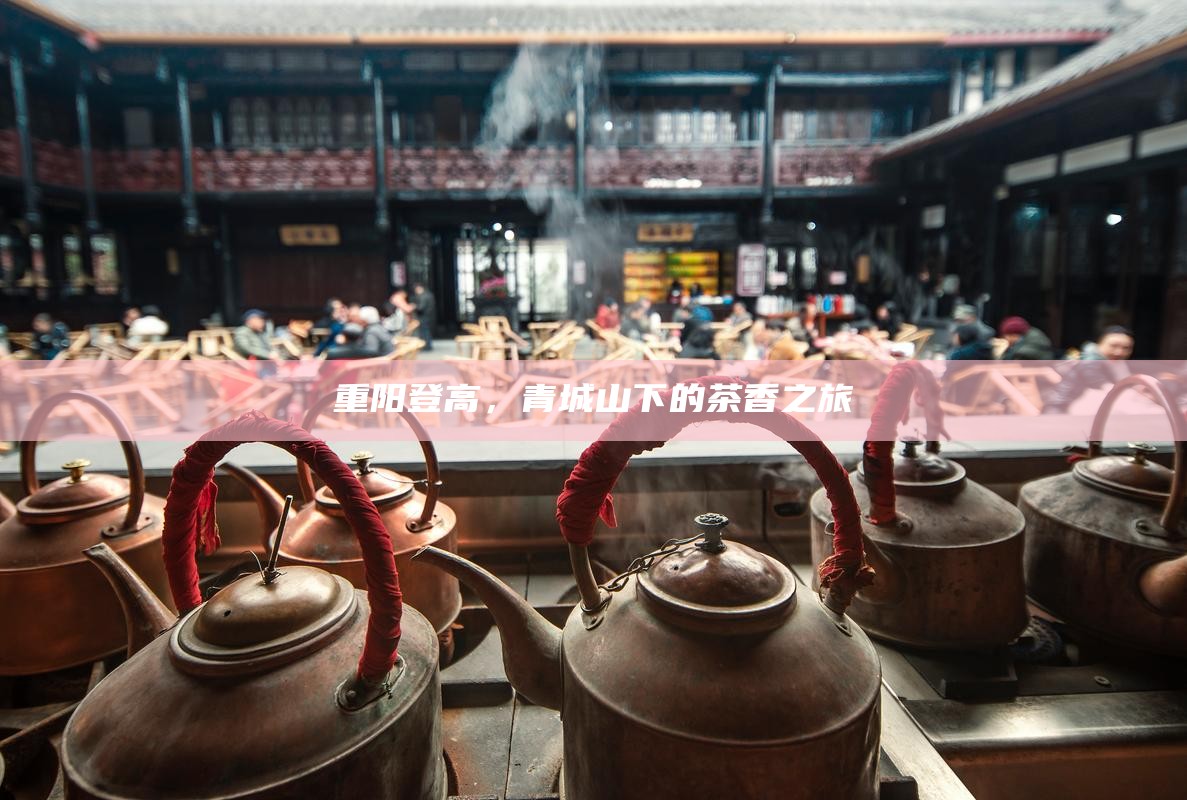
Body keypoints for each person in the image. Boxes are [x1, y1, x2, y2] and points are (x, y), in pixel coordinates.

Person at [1042, 326, 1136, 414]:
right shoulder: (1089, 361)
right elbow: (1103, 385)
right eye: (1113, 346)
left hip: (1086, 410)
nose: (1119, 352)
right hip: (1061, 410)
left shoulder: (1115, 363)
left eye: (1126, 348)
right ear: (1099, 344)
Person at [412, 282, 435, 351]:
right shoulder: (429, 294)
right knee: (426, 331)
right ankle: (428, 345)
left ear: (419, 288)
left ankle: (426, 346)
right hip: (428, 316)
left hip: (423, 316)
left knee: (424, 331)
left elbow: (421, 308)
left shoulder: (423, 296)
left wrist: (414, 306)